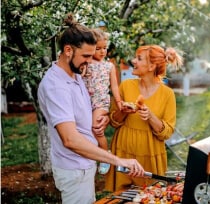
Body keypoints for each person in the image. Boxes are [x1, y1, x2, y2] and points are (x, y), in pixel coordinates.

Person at [37, 13, 144, 204]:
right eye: (86, 56)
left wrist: (102, 119)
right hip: (73, 169)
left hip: (85, 164)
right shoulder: (55, 85)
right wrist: (117, 160)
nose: (90, 61)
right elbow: (70, 139)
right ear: (68, 50)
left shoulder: (76, 73)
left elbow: (86, 109)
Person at [105, 45, 183, 191]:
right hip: (122, 151)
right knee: (121, 198)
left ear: (151, 66)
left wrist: (150, 117)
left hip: (150, 155)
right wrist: (123, 111)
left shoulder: (167, 94)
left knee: (149, 196)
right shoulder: (126, 86)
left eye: (139, 58)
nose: (133, 61)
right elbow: (113, 122)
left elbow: (167, 133)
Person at [81, 28, 122, 175]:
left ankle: (105, 156)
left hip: (100, 103)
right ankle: (91, 155)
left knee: (96, 128)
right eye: (98, 48)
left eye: (104, 48)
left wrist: (118, 102)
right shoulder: (85, 63)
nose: (102, 51)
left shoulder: (109, 66)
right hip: (85, 102)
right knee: (85, 131)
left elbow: (114, 86)